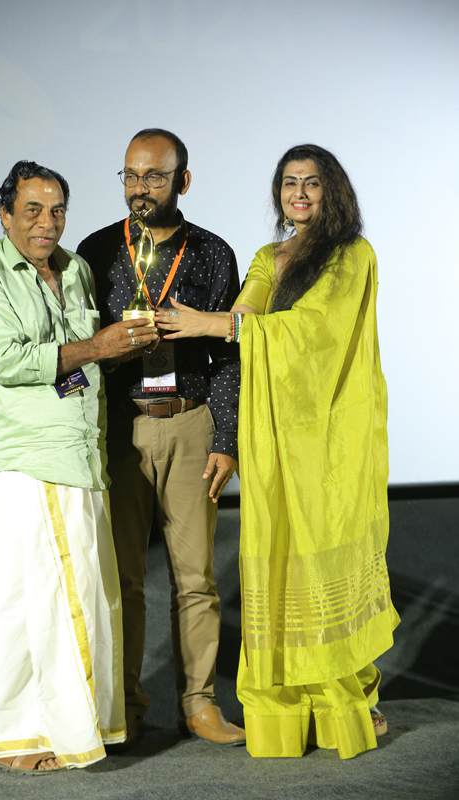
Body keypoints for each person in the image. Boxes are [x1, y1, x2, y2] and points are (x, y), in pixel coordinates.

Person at [156, 144, 400, 760]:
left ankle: (346, 702)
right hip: (276, 438)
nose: (299, 194)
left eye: (311, 183)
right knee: (282, 562)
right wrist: (209, 321)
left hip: (334, 442)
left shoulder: (352, 255)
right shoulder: (270, 257)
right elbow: (247, 316)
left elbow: (314, 332)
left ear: (332, 191)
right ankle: (289, 712)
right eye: (289, 183)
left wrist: (212, 324)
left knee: (327, 563)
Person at [0, 160, 159, 773]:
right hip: (33, 457)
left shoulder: (75, 270)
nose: (46, 223)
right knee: (48, 602)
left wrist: (124, 345)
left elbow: (80, 361)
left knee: (56, 600)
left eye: (57, 210)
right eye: (32, 210)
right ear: (5, 215)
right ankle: (43, 735)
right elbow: (5, 362)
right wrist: (99, 345)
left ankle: (29, 733)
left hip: (83, 453)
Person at [77, 129, 245, 746]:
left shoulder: (213, 253)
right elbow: (81, 343)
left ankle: (199, 705)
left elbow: (229, 356)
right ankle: (126, 706)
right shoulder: (96, 250)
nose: (139, 188)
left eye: (153, 176)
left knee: (195, 578)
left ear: (183, 181)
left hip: (192, 423)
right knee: (122, 577)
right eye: (130, 175)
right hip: (122, 425)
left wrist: (226, 438)